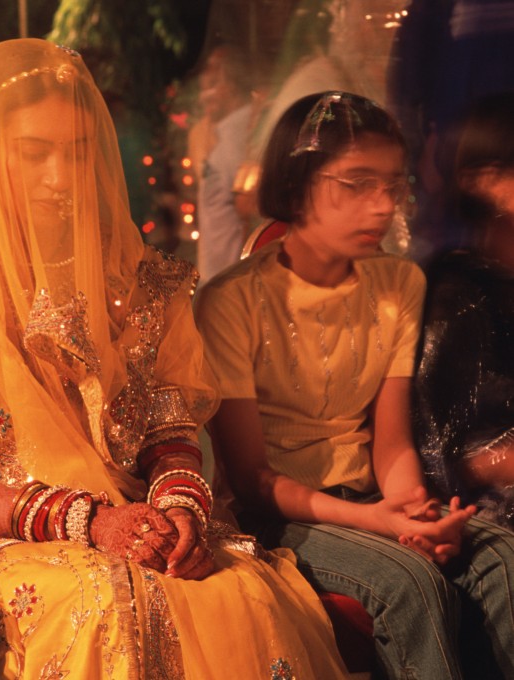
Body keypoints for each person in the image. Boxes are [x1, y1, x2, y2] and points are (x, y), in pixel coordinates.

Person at [0, 38, 349, 679]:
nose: (60, 178)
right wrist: (84, 520)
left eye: (78, 152)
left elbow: (170, 436)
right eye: (34, 153)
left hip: (140, 521)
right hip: (2, 535)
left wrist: (181, 510)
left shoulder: (141, 280)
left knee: (236, 592)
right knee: (104, 604)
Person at [196, 90, 514, 679]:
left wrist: (415, 511)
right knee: (411, 584)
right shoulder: (231, 301)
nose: (382, 206)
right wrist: (385, 523)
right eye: (357, 184)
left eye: (392, 186)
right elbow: (254, 480)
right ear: (296, 185)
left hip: (371, 499)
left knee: (502, 558)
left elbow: (390, 442)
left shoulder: (398, 284)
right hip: (279, 516)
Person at [414, 92, 514, 529]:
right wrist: (501, 460)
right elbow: (441, 460)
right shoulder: (457, 295)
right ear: (482, 180)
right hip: (483, 517)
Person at [194, 44, 254, 286]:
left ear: (232, 86)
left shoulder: (239, 138)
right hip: (219, 282)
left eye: (212, 85)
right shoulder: (228, 135)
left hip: (230, 284)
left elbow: (249, 210)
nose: (203, 96)